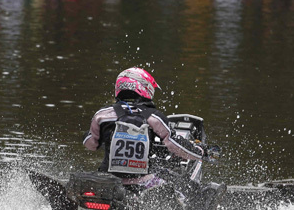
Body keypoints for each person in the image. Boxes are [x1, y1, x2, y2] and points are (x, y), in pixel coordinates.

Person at [83, 68, 211, 195]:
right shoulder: (153, 117)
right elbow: (175, 145)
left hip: (108, 181)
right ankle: (191, 208)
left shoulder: (102, 115)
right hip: (141, 183)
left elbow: (90, 144)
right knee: (179, 186)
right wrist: (199, 151)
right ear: (144, 87)